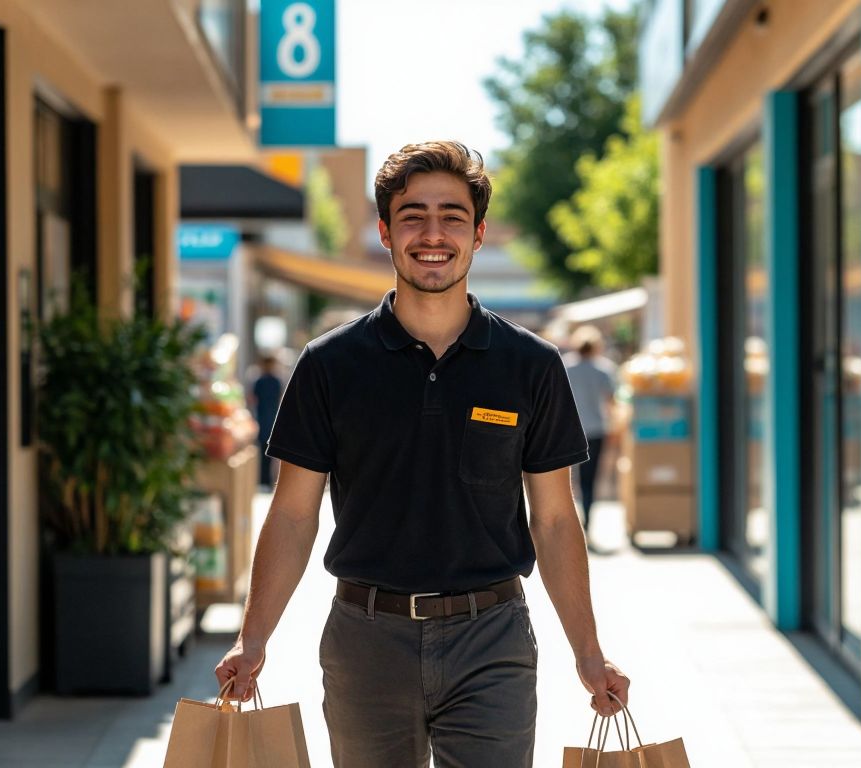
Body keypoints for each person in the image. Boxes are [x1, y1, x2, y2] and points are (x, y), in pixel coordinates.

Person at [215, 141, 629, 767]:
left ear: (479, 233)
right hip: (365, 639)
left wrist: (589, 652)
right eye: (412, 215)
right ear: (384, 231)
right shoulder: (329, 364)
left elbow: (553, 518)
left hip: (492, 638)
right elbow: (295, 512)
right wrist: (253, 639)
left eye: (452, 216)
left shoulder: (532, 366)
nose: (432, 234)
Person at [563, 325, 618, 551]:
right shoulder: (603, 369)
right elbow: (611, 401)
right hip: (596, 429)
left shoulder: (566, 366)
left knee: (567, 481)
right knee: (589, 480)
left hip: (568, 429)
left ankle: (569, 524)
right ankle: (586, 521)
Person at [249, 353, 283, 490]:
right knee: (271, 454)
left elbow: (252, 399)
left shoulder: (260, 381)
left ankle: (264, 481)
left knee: (265, 453)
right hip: (271, 420)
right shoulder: (276, 381)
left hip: (264, 420)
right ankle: (268, 481)